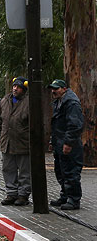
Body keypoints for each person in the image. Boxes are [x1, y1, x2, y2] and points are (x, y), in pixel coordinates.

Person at [0, 76, 31, 206]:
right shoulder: (5, 101)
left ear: (24, 89)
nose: (15, 89)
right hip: (7, 142)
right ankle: (11, 193)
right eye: (14, 86)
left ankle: (23, 195)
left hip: (23, 143)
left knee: (25, 171)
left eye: (19, 87)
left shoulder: (29, 102)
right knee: (8, 169)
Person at [48, 79, 84, 210]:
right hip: (59, 142)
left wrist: (68, 143)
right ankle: (65, 196)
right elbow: (56, 124)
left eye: (56, 88)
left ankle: (74, 199)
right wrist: (53, 141)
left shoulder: (71, 103)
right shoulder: (59, 102)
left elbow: (75, 125)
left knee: (71, 172)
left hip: (70, 144)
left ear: (64, 89)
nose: (53, 91)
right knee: (61, 171)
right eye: (52, 88)